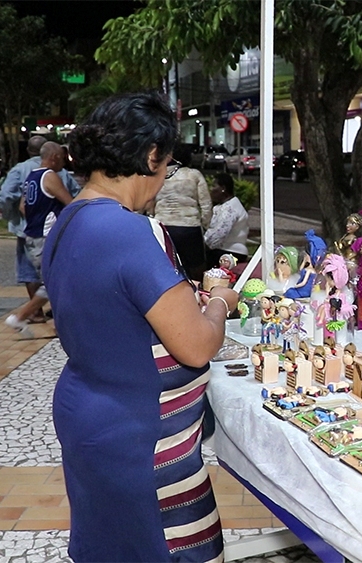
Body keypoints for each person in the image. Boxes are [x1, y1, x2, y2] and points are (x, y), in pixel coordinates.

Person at [42, 92, 238, 562]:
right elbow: (196, 346)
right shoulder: (133, 230)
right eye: (167, 165)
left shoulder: (67, 221)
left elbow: (114, 308)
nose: (162, 179)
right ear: (151, 157)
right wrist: (219, 303)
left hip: (88, 414)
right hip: (143, 436)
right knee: (171, 548)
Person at [0, 135, 80, 325]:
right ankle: (19, 317)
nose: (64, 162)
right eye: (61, 157)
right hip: (47, 236)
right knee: (55, 281)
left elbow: (22, 207)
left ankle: (59, 322)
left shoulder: (30, 177)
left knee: (55, 280)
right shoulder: (50, 176)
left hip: (32, 235)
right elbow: (70, 203)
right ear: (53, 157)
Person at [148, 143, 213, 280]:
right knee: (196, 270)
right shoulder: (194, 175)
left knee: (167, 269)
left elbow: (150, 203)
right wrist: (204, 226)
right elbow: (206, 205)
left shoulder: (159, 175)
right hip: (190, 228)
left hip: (163, 227)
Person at [204, 171, 249, 267]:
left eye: (214, 186)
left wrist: (201, 244)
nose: (211, 190)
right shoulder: (227, 205)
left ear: (223, 188)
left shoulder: (230, 208)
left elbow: (218, 235)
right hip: (225, 251)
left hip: (231, 253)